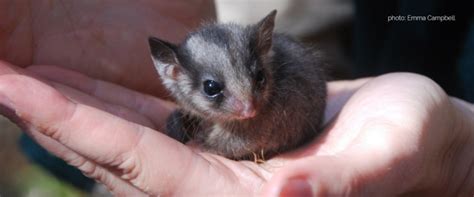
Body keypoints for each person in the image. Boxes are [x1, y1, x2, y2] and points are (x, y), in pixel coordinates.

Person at [0, 1, 473, 196]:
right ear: (171, 74)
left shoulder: (269, 79)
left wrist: (462, 158)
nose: (247, 105)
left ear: (264, 55)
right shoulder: (186, 75)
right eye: (214, 90)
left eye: (256, 81)